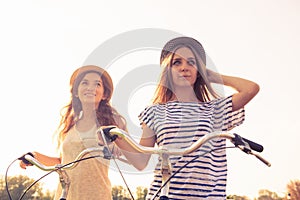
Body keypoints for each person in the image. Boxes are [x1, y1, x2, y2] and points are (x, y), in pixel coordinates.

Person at [113, 36, 260, 199]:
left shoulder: (216, 109)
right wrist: (115, 137)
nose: (184, 67)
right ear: (167, 71)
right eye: (177, 62)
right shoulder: (154, 112)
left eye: (191, 62)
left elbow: (251, 89)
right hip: (165, 195)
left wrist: (210, 76)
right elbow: (141, 160)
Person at [19, 65, 127, 200]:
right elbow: (62, 161)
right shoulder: (69, 127)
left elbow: (128, 152)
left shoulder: (110, 124)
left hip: (96, 195)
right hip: (66, 194)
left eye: (97, 84)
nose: (90, 87)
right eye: (84, 83)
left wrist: (115, 147)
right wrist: (34, 156)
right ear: (76, 91)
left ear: (105, 94)